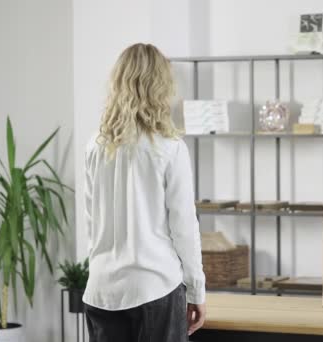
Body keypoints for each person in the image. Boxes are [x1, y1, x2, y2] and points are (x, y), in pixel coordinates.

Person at [82, 43, 206, 342]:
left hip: (101, 289)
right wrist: (196, 290)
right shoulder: (169, 148)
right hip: (154, 288)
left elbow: (91, 223)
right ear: (161, 86)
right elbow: (184, 227)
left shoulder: (95, 147)